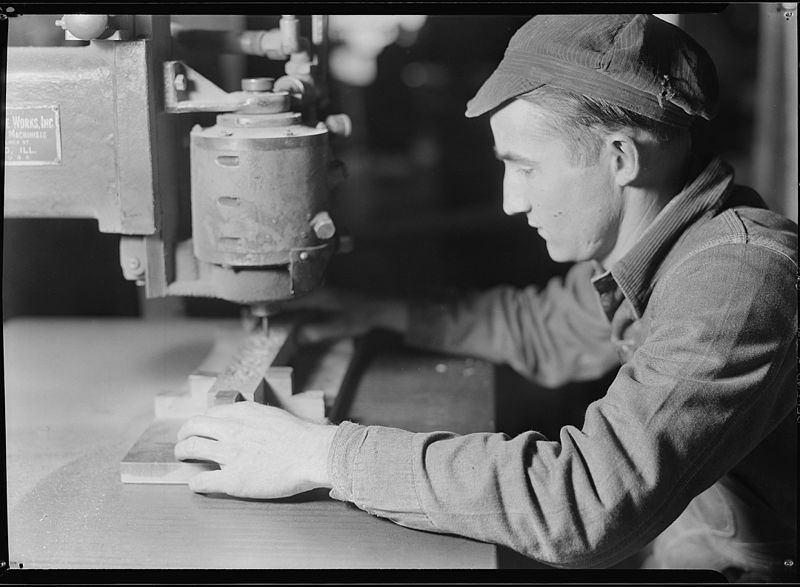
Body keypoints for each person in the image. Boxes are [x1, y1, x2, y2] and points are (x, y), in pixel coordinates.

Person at [174, 14, 797, 579]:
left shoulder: (734, 280)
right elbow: (544, 329)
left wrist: (321, 454)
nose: (511, 200)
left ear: (619, 158)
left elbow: (584, 506)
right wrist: (378, 314)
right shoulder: (664, 247)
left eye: (524, 166)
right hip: (686, 540)